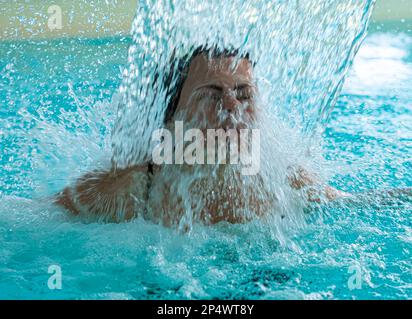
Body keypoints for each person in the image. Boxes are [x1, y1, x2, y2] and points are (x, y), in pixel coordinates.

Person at [54, 45, 354, 226]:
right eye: (211, 95)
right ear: (170, 115)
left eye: (244, 93)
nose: (232, 109)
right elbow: (29, 219)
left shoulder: (280, 179)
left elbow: (360, 206)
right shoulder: (134, 185)